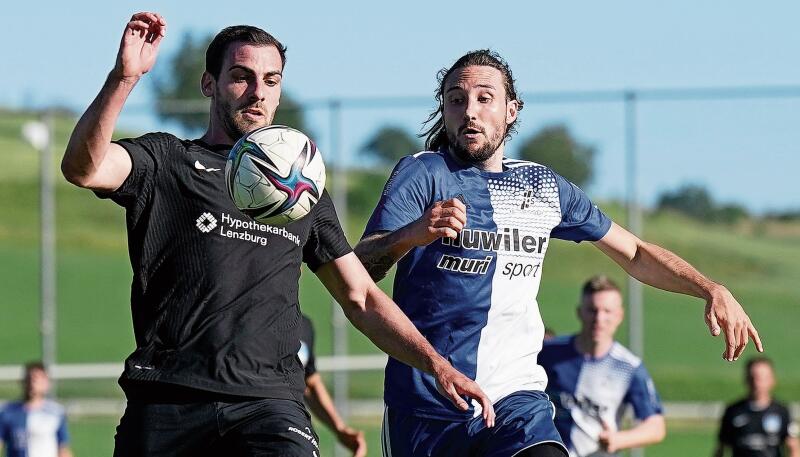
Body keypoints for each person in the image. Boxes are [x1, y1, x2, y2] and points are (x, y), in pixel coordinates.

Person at [61, 12, 493, 456]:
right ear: (209, 84)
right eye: (241, 77)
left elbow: (360, 296)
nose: (257, 93)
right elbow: (84, 167)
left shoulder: (303, 188)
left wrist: (437, 365)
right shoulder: (167, 161)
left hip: (269, 404)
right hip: (168, 398)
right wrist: (124, 78)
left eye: (271, 81)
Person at [354, 49, 763, 457]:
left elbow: (635, 253)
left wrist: (710, 288)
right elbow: (360, 272)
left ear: (512, 110)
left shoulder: (542, 187)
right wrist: (411, 234)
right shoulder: (423, 173)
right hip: (428, 406)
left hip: (517, 400)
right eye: (456, 99)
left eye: (484, 97)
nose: (469, 111)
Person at [539, 275, 665, 456]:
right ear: (579, 312)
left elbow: (655, 426)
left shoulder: (628, 367)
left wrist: (619, 439)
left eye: (607, 311)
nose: (599, 318)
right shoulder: (548, 353)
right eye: (592, 310)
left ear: (620, 315)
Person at [298, 314, 367, 456]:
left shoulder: (303, 325)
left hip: (289, 426)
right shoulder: (248, 315)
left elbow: (310, 383)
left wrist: (340, 429)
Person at [714, 357, 799, 457]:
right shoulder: (733, 411)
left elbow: (793, 447)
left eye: (761, 378)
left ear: (772, 380)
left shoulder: (782, 411)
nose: (756, 382)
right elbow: (721, 448)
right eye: (752, 377)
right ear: (746, 379)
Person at [0, 362, 72, 457]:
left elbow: (63, 448)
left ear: (47, 383)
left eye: (37, 379)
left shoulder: (55, 412)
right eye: (29, 378)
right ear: (23, 382)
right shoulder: (8, 412)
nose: (32, 383)